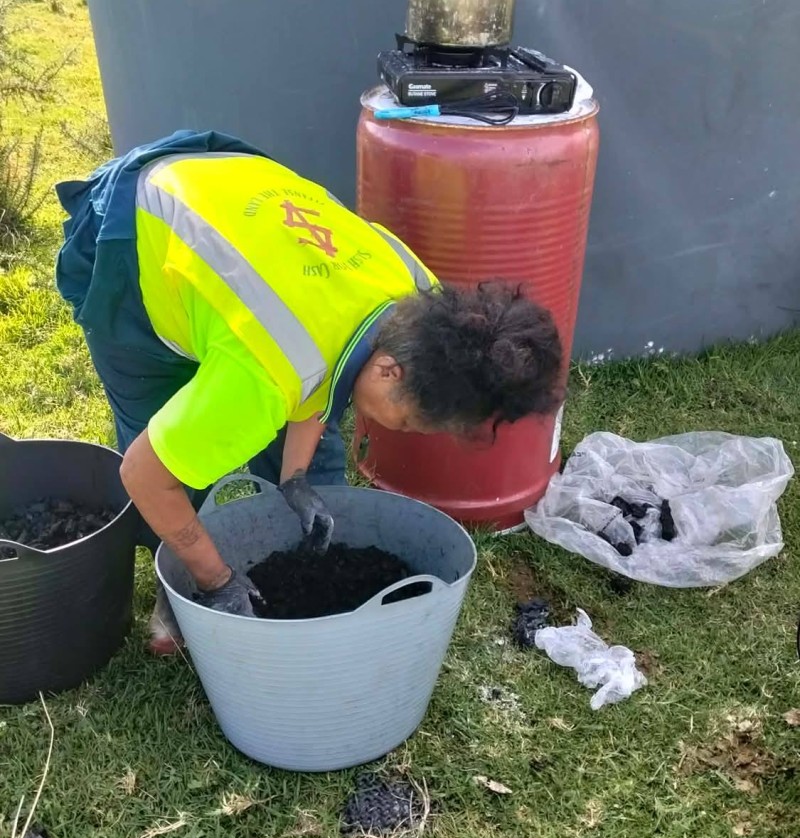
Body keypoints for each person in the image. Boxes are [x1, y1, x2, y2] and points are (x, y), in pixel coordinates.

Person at [55, 130, 564, 655]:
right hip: (134, 227)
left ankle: (250, 525)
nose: (400, 430)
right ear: (389, 371)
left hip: (238, 191)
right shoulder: (267, 375)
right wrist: (219, 581)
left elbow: (332, 360)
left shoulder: (419, 299)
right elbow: (143, 473)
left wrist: (294, 477)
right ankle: (181, 591)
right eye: (408, 421)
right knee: (164, 442)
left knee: (305, 443)